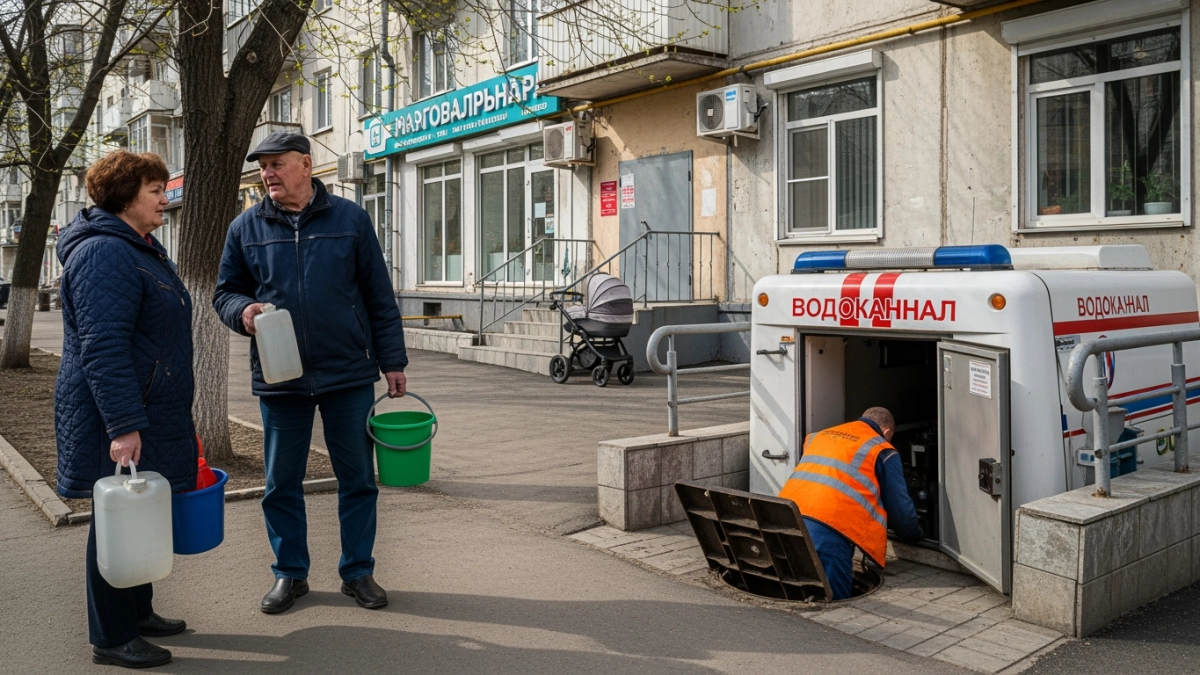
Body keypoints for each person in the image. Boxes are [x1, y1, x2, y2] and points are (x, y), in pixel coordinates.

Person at [213, 132, 408, 614]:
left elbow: (379, 297)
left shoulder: (351, 219)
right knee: (281, 482)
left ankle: (358, 572)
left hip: (348, 373)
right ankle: (289, 574)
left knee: (358, 478)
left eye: (277, 164)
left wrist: (393, 362)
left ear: (306, 164)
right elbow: (224, 293)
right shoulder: (246, 227)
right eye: (263, 167)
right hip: (281, 377)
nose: (268, 174)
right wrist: (243, 311)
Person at [55, 151, 197, 668]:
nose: (165, 198)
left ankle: (138, 611)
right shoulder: (103, 254)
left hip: (144, 404)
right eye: (155, 190)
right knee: (113, 522)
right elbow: (103, 347)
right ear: (124, 196)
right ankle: (111, 637)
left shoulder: (139, 247)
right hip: (113, 411)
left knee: (139, 512)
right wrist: (123, 425)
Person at [778, 407, 921, 600]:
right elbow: (900, 508)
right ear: (887, 432)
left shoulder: (819, 436)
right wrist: (913, 535)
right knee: (834, 600)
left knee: (791, 591)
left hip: (784, 519)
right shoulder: (882, 449)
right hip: (830, 531)